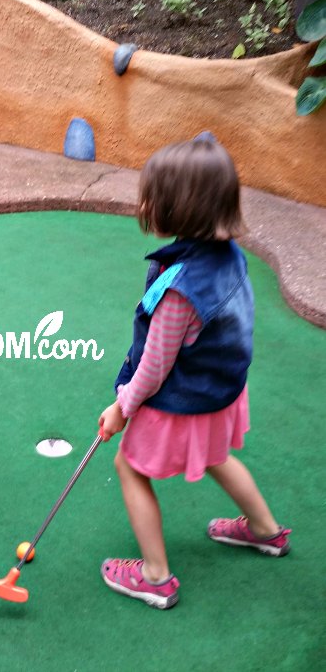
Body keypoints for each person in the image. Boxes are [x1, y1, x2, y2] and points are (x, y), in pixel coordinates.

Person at [97, 137, 291, 610]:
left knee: (129, 466)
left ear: (180, 208)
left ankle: (155, 576)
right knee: (218, 455)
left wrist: (122, 406)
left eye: (152, 197)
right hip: (221, 393)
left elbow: (155, 367)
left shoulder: (180, 291)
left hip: (182, 401)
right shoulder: (232, 257)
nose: (144, 204)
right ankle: (266, 531)